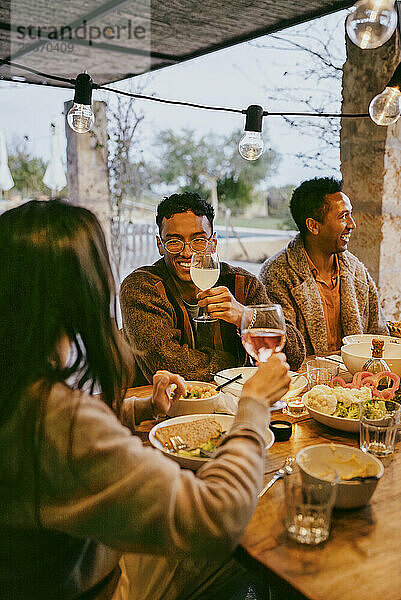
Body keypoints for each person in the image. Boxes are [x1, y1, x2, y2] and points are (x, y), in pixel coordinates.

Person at [0, 198, 291, 600]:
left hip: (74, 559)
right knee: (264, 546)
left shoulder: (17, 380)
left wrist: (134, 408)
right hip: (97, 584)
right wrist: (254, 407)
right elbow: (216, 519)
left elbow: (67, 427)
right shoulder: (57, 421)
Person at [120, 192, 305, 385]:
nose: (187, 252)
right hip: (165, 408)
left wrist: (245, 316)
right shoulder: (142, 287)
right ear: (160, 245)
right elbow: (168, 365)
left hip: (236, 403)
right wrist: (236, 364)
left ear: (213, 242)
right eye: (174, 241)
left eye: (198, 240)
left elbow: (295, 355)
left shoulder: (242, 283)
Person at [259, 177, 388, 356]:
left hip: (358, 380)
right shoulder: (276, 274)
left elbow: (379, 334)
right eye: (343, 216)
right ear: (313, 226)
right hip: (303, 379)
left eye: (350, 214)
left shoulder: (356, 269)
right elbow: (284, 351)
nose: (352, 224)